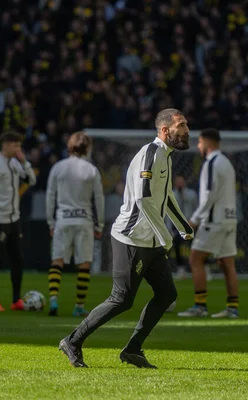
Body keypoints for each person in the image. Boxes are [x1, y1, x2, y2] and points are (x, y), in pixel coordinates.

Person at [58, 108, 194, 368]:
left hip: (151, 240)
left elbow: (164, 197)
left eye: (186, 124)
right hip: (131, 238)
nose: (187, 130)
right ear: (165, 131)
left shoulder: (166, 155)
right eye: (181, 125)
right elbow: (143, 200)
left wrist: (182, 225)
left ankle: (133, 349)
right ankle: (72, 341)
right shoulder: (151, 154)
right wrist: (166, 235)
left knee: (166, 294)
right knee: (121, 299)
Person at [177, 128, 239, 318]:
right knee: (227, 263)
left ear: (207, 143)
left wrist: (194, 220)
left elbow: (209, 195)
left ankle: (200, 306)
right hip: (230, 218)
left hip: (214, 220)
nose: (198, 146)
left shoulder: (212, 163)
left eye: (199, 142)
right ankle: (232, 308)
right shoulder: (227, 162)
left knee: (195, 258)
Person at [46, 132, 105, 317]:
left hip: (63, 219)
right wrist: (100, 225)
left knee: (57, 261)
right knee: (84, 263)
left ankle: (54, 299)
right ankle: (78, 305)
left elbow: (50, 196)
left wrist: (50, 221)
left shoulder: (58, 167)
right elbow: (99, 199)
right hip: (84, 220)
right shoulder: (91, 170)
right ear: (87, 148)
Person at [0, 131, 37, 311]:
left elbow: (31, 180)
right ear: (5, 145)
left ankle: (15, 300)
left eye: (19, 145)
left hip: (14, 219)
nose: (18, 149)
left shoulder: (14, 164)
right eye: (15, 145)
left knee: (18, 259)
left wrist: (24, 162)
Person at [170, 175, 198, 281]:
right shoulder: (171, 194)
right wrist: (169, 228)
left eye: (181, 181)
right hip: (177, 225)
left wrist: (195, 223)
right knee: (176, 243)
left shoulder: (191, 194)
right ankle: (180, 269)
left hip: (190, 223)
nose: (179, 183)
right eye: (177, 181)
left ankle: (202, 267)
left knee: (197, 245)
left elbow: (196, 208)